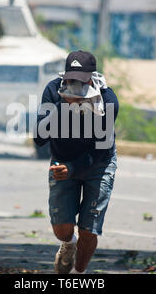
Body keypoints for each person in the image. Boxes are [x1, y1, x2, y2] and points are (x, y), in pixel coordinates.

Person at [34, 50, 119, 274]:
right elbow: (39, 138)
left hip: (98, 165)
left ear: (91, 78)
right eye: (70, 80)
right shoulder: (53, 90)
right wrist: (64, 107)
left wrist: (73, 169)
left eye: (80, 82)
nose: (73, 85)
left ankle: (80, 273)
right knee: (62, 229)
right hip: (62, 160)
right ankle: (68, 244)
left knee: (88, 231)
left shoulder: (107, 102)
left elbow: (100, 152)